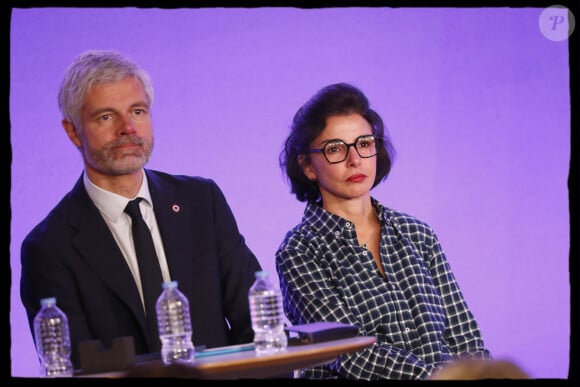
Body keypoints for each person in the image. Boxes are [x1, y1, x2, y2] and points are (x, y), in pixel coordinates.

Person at [20, 50, 262, 370]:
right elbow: (72, 367)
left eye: (137, 111)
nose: (128, 128)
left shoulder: (203, 202)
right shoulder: (49, 248)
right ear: (73, 131)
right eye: (106, 117)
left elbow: (257, 327)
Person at [275, 82, 492, 380]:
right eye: (335, 149)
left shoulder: (417, 233)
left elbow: (463, 335)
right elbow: (351, 354)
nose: (355, 160)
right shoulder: (299, 251)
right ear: (308, 166)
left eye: (364, 144)